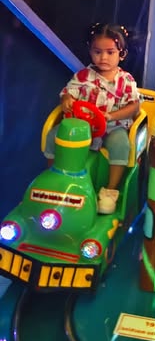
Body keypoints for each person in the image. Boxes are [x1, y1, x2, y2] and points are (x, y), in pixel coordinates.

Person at [44, 23, 140, 214]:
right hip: (83, 125)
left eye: (110, 52)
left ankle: (110, 191)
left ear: (121, 53)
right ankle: (53, 177)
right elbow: (68, 93)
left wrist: (111, 115)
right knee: (55, 135)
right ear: (90, 51)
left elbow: (134, 106)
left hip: (112, 125)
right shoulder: (83, 76)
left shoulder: (126, 80)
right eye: (97, 52)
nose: (103, 57)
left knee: (121, 144)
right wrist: (67, 100)